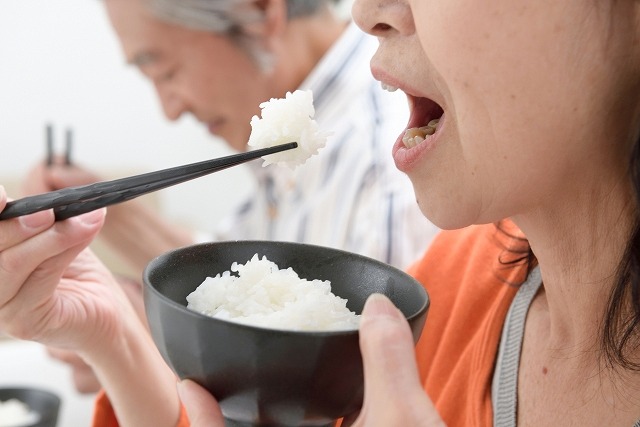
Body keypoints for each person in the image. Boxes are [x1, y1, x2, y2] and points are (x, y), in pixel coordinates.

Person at [4, 0, 640, 426]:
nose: (365, 13)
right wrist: (109, 330)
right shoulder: (446, 289)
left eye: (161, 67)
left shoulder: (399, 277)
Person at [21, 0, 439, 397]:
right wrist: (109, 216)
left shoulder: (384, 166)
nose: (169, 109)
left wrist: (135, 343)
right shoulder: (298, 143)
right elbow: (245, 279)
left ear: (257, 11)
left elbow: (355, 394)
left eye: (165, 71)